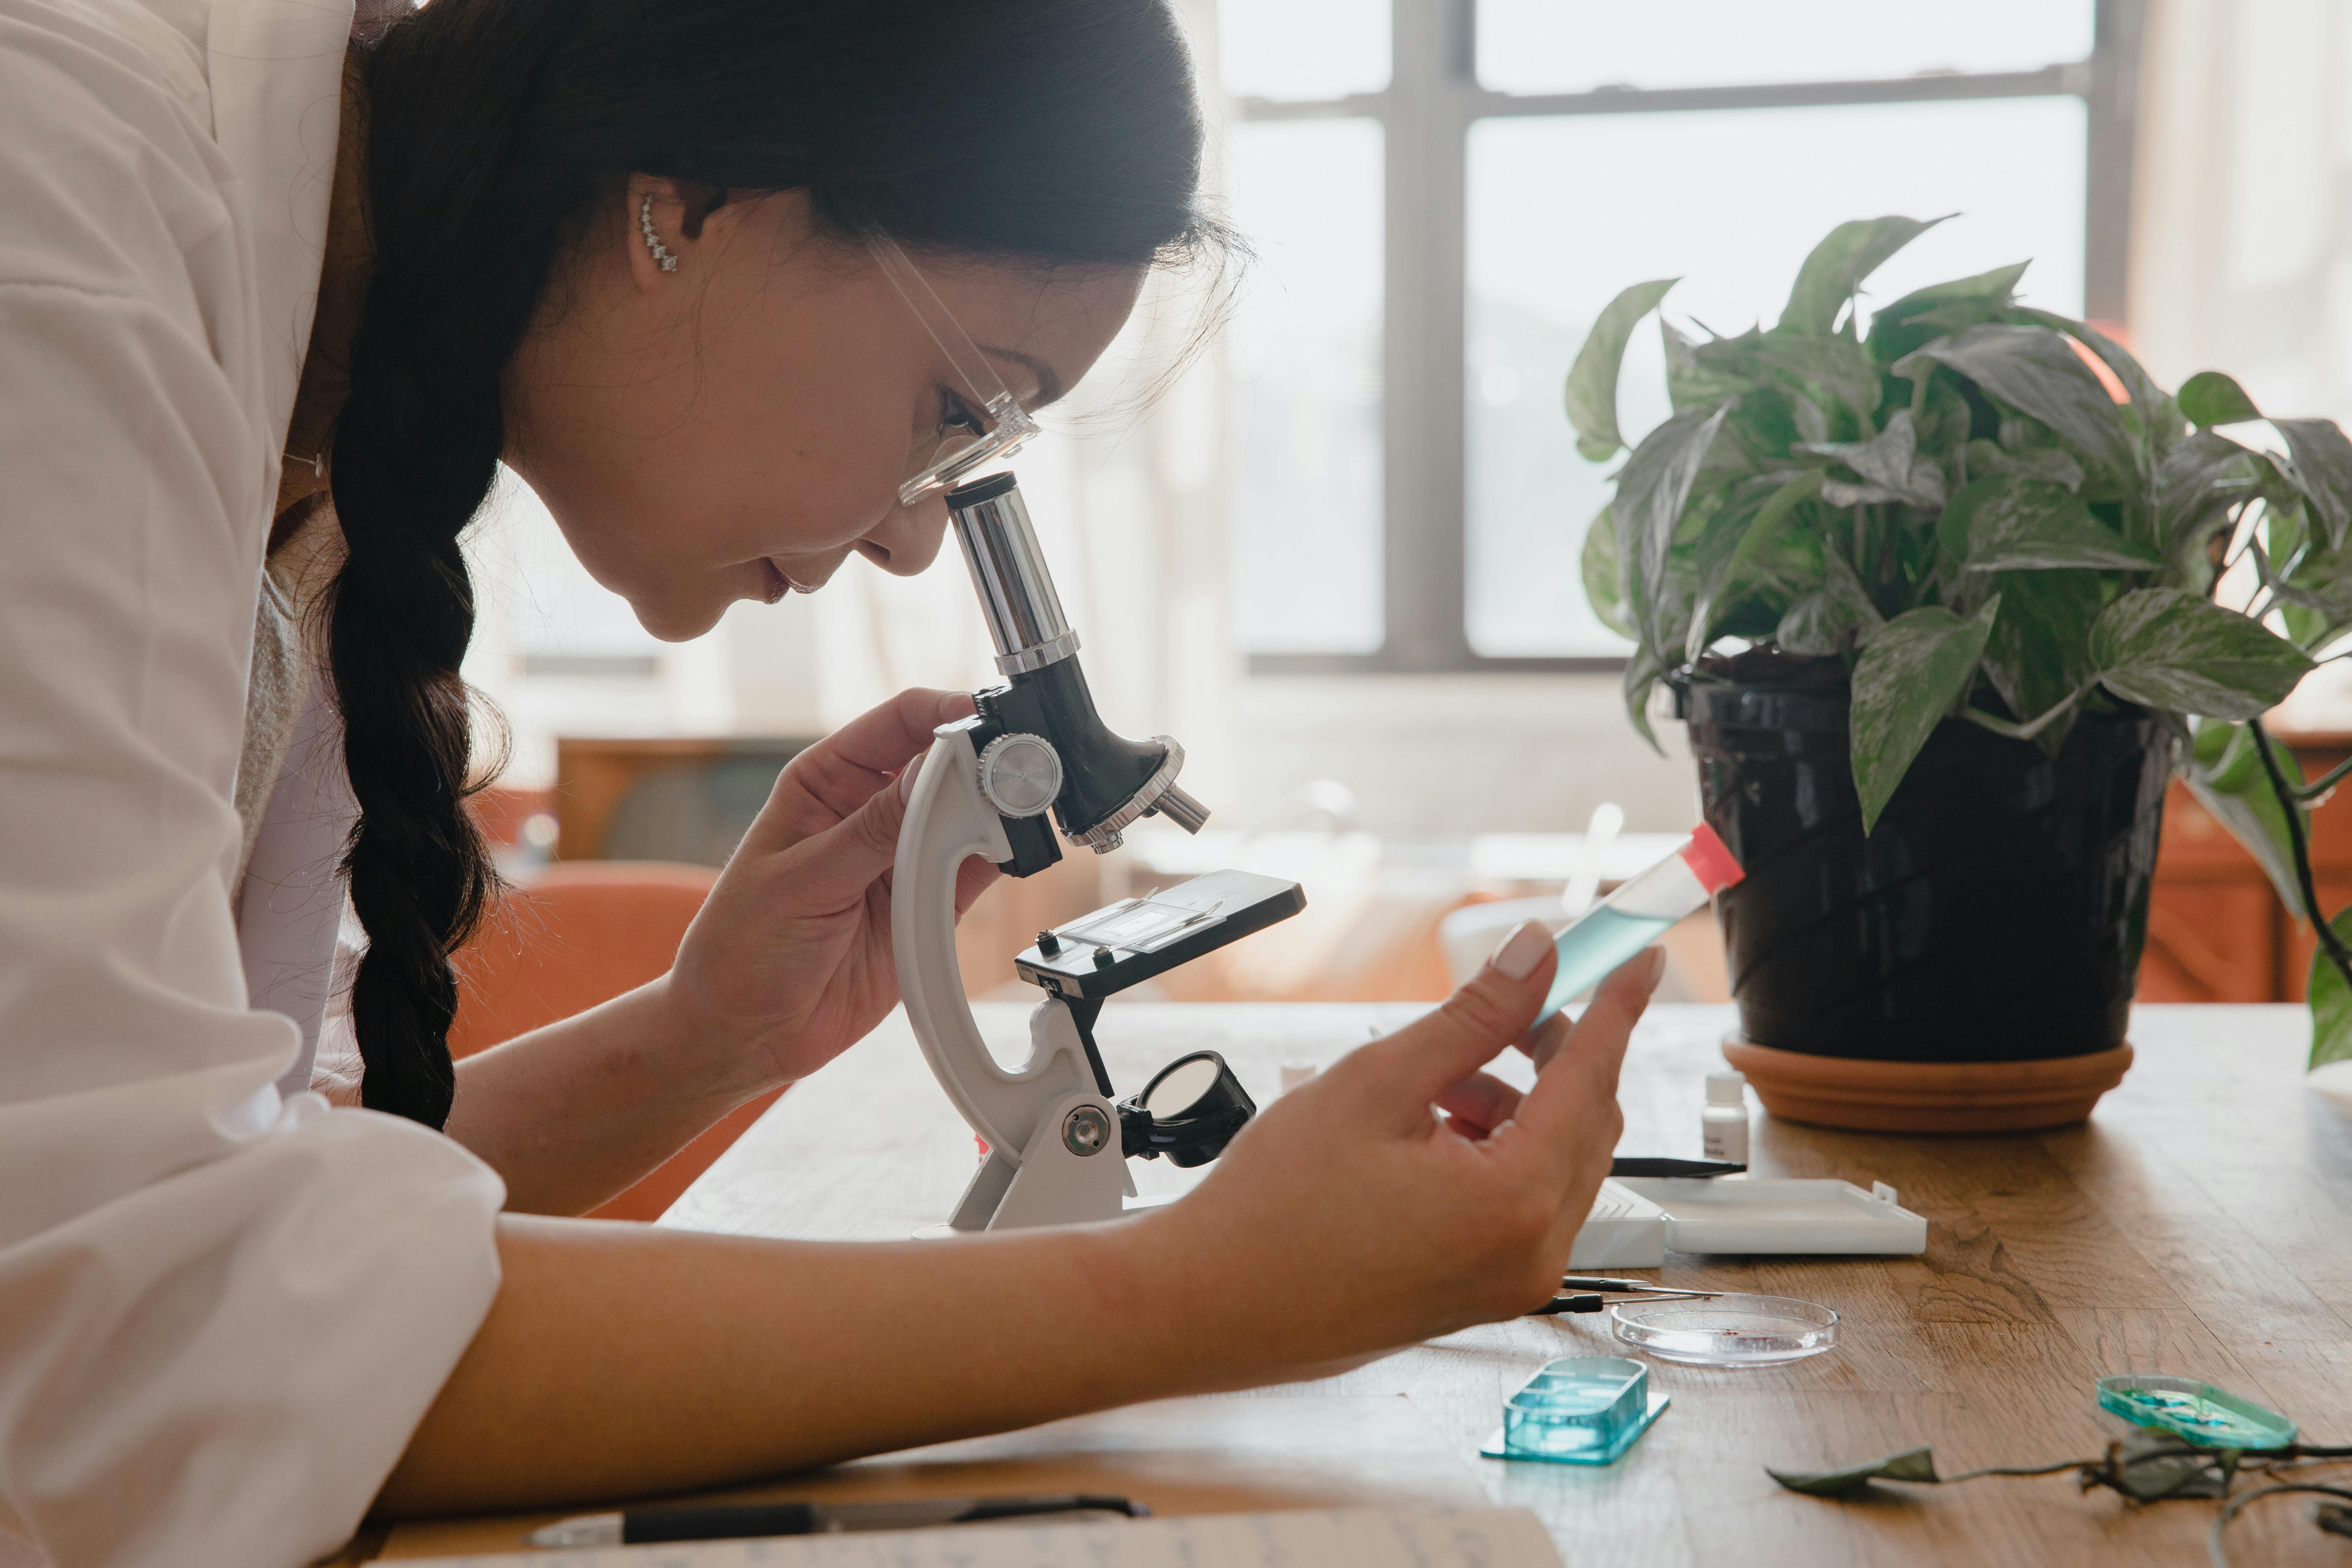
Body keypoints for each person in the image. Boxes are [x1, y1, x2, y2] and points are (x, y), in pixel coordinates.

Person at [0, 0, 1662, 1562]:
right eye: (957, 407)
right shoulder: (64, 223)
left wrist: (702, 1036)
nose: (913, 526)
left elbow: (190, 1219)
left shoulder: (312, 364)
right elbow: (134, 1344)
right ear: (693, 200)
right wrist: (1202, 1292)